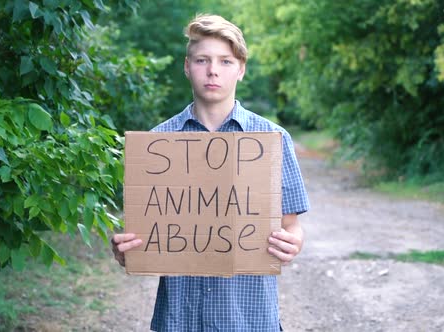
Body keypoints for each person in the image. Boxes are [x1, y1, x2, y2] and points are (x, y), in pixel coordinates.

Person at [111, 14, 310, 331]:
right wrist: (127, 251)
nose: (213, 70)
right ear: (187, 67)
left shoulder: (272, 140)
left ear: (241, 69)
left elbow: (292, 226)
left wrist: (292, 243)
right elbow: (145, 234)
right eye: (202, 60)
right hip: (179, 319)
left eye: (225, 62)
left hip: (248, 318)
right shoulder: (156, 144)